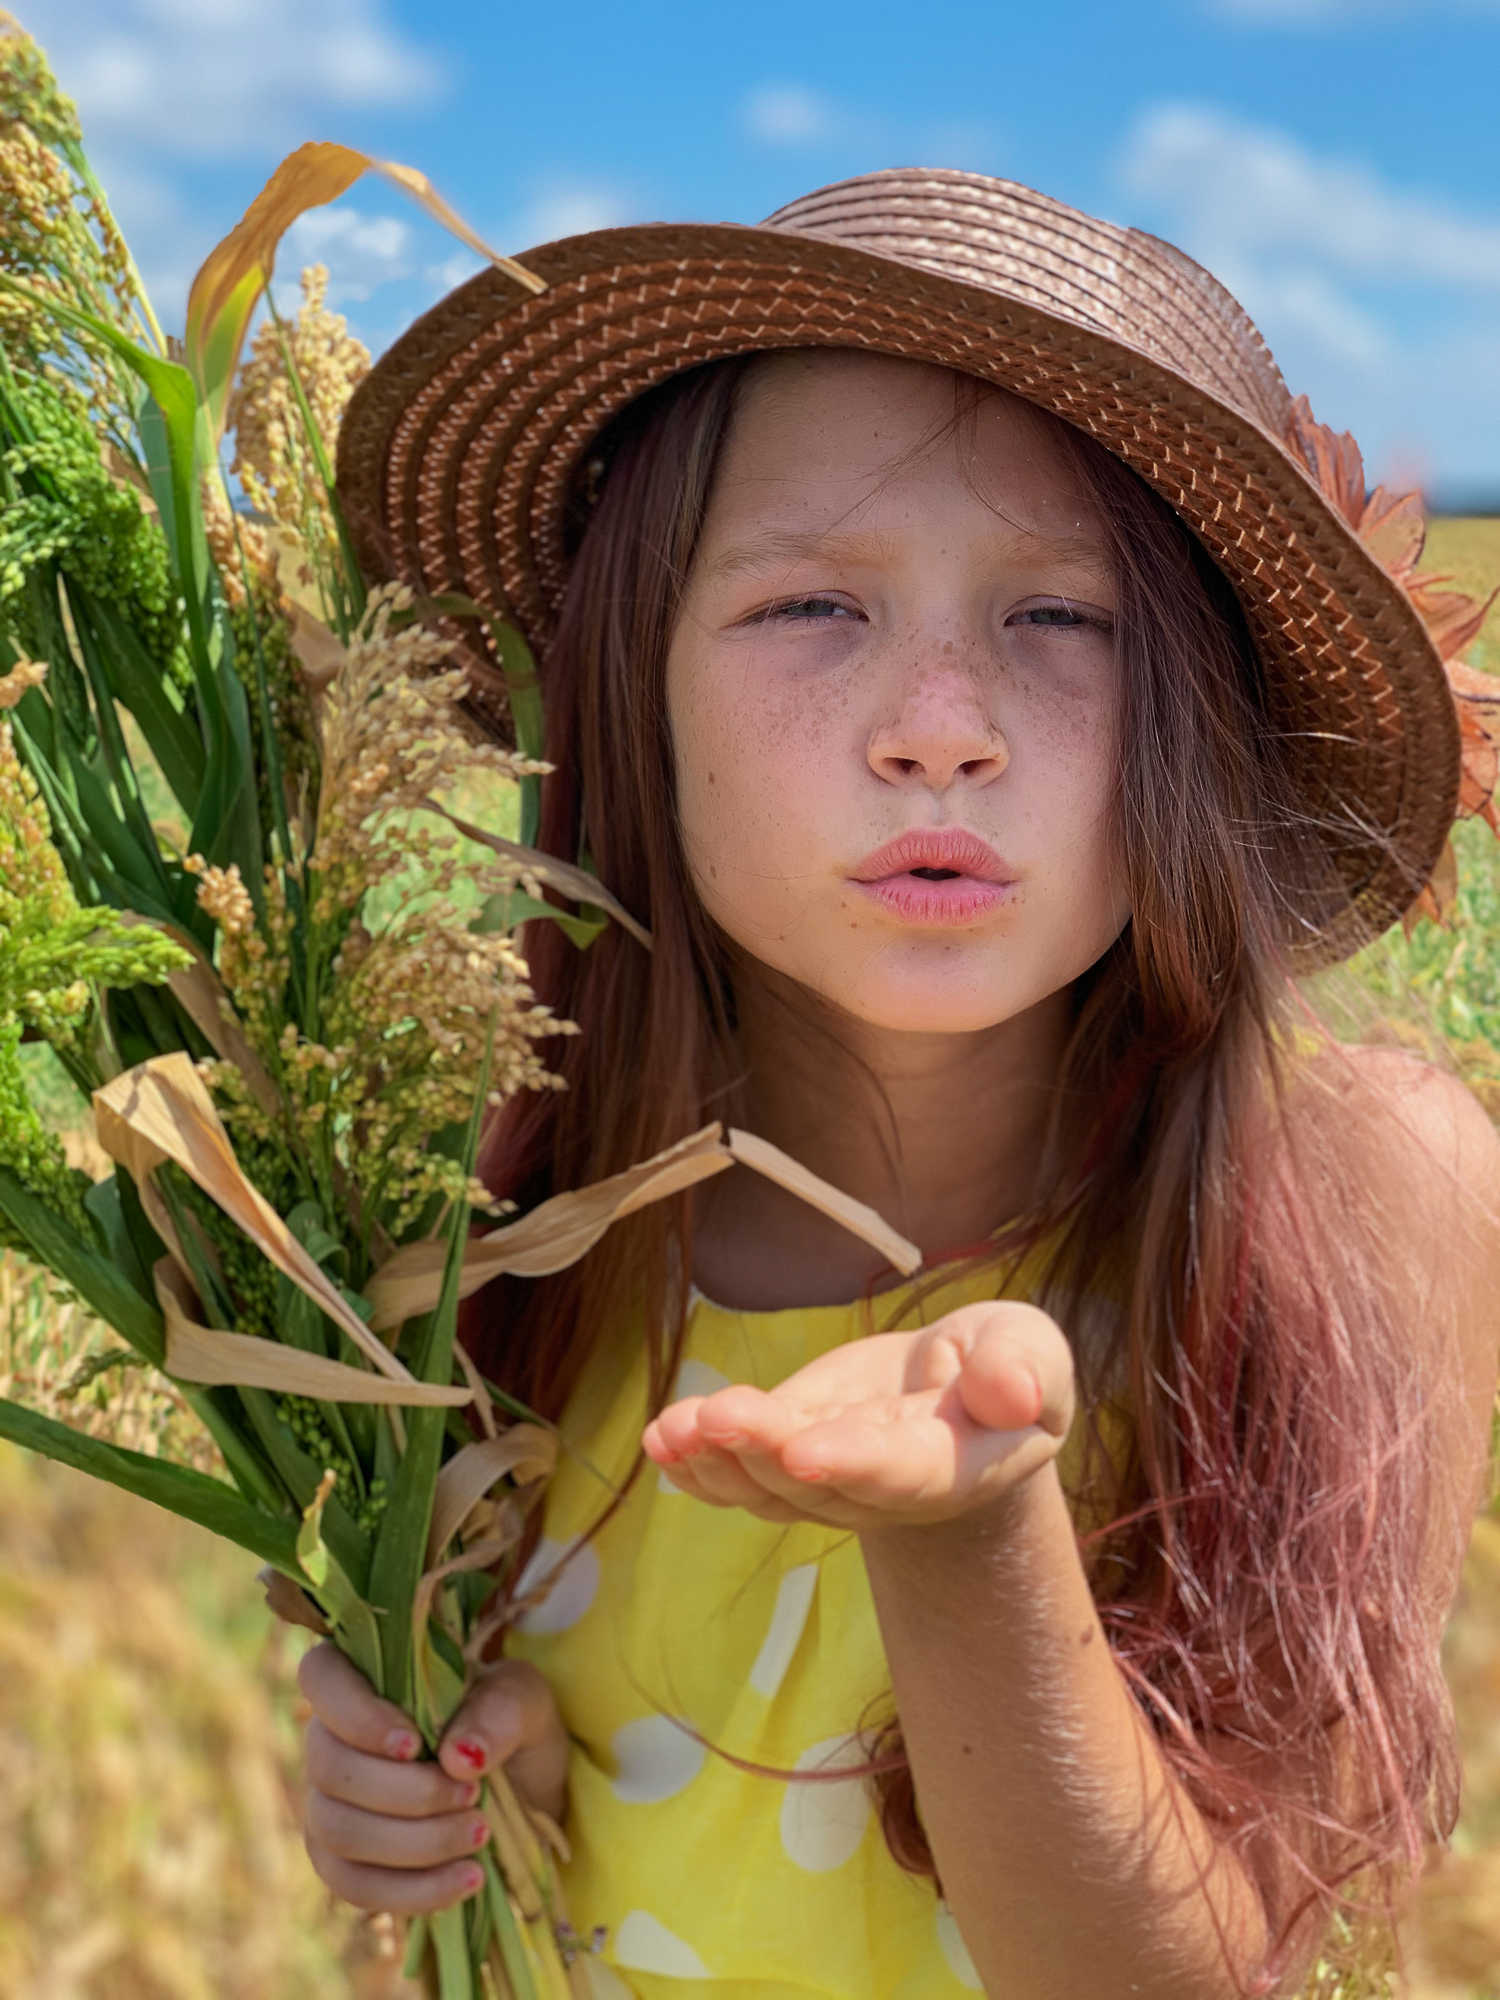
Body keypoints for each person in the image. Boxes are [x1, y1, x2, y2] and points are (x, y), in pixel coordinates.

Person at [291, 170, 1500, 1997]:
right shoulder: (495, 1215)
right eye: (810, 606)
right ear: (633, 690)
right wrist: (476, 1780)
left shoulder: (1360, 1198)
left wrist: (966, 1538)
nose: (941, 726)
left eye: (1063, 619)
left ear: (1199, 717)